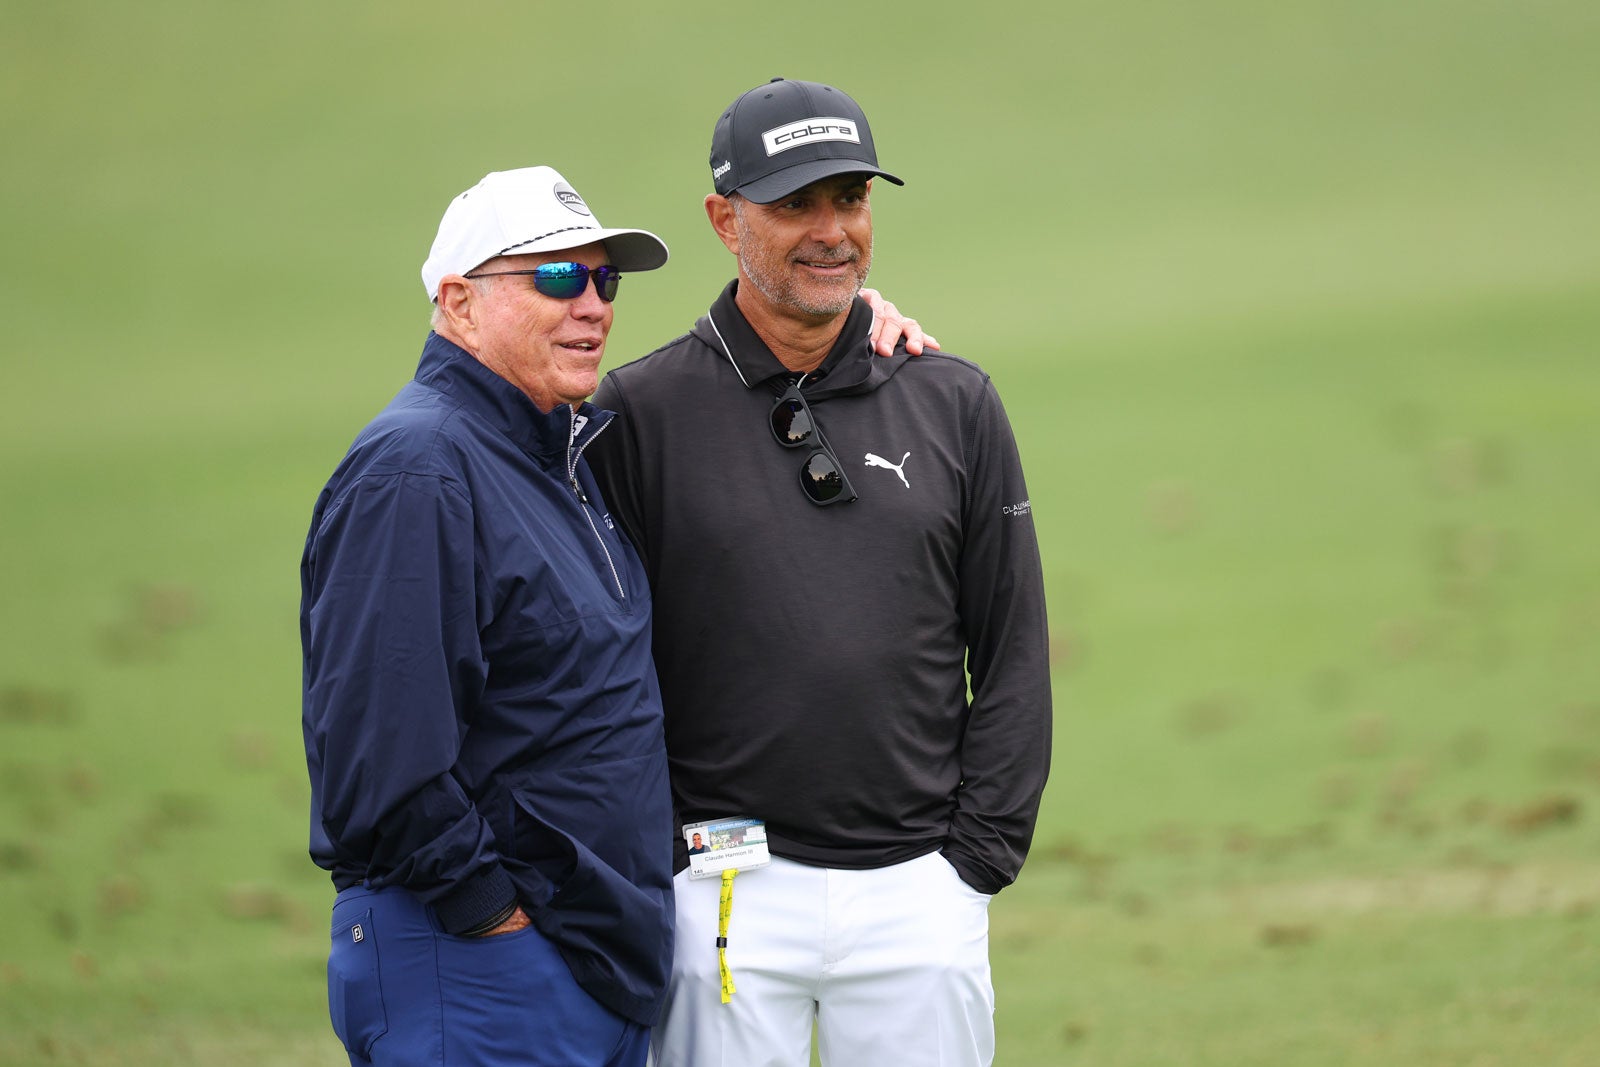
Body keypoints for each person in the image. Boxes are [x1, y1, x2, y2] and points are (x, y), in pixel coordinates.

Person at [588, 79, 1053, 1067]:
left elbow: (1012, 646)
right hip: (719, 887)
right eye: (794, 203)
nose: (831, 230)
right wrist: (663, 858)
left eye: (848, 199)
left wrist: (974, 861)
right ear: (724, 220)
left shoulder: (952, 397)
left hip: (921, 888)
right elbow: (599, 667)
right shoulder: (639, 413)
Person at [300, 166, 676, 1067]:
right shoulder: (418, 467)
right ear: (459, 301)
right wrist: (490, 918)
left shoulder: (553, 458)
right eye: (555, 276)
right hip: (478, 965)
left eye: (604, 279)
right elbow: (382, 757)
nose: (592, 304)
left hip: (576, 968)